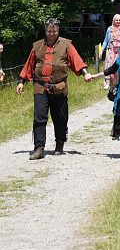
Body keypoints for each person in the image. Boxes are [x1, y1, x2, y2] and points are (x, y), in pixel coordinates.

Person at [16, 18, 99, 159]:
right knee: (39, 118)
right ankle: (39, 148)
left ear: (58, 30)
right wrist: (21, 82)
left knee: (60, 118)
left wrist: (85, 74)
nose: (52, 34)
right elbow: (29, 65)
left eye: (54, 31)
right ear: (45, 31)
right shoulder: (37, 46)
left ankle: (59, 144)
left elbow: (76, 60)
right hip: (40, 87)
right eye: (49, 31)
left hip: (59, 87)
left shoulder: (66, 45)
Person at [100, 14, 120, 90]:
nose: (118, 21)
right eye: (117, 20)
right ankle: (108, 83)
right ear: (113, 20)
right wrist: (101, 51)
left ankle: (118, 82)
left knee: (119, 66)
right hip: (111, 50)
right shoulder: (109, 29)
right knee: (109, 66)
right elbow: (106, 41)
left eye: (119, 20)